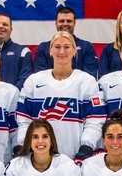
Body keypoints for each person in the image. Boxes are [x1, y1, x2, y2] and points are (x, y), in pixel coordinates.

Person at [16, 31, 106, 159]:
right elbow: (24, 120)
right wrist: (23, 143)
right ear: (50, 51)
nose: (62, 52)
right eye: (57, 47)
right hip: (39, 159)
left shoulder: (87, 81)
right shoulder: (33, 81)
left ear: (75, 51)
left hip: (74, 157)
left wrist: (87, 145)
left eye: (67, 47)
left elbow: (95, 120)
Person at [33, 6, 98, 76]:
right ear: (56, 23)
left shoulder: (86, 47)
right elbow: (40, 78)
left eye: (69, 21)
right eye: (61, 21)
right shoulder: (43, 48)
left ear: (74, 23)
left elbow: (89, 78)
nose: (65, 24)